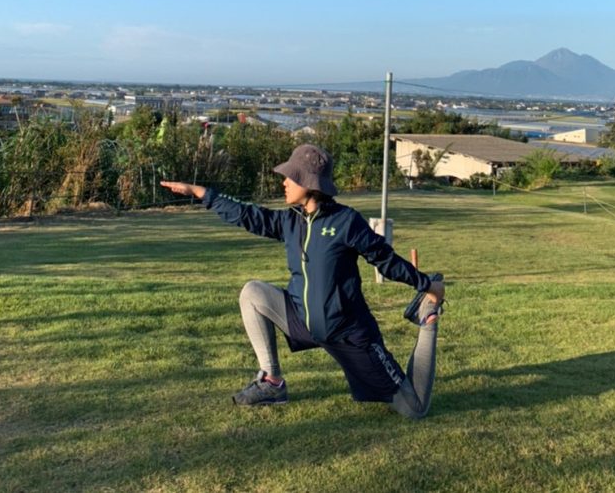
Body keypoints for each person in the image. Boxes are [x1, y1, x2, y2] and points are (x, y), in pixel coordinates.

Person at [161, 142, 445, 419]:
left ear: (310, 183)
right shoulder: (291, 221)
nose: (284, 182)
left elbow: (385, 259)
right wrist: (200, 192)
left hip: (348, 334)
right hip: (303, 321)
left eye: (291, 177)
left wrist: (427, 286)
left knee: (414, 407)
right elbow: (248, 215)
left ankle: (428, 316)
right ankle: (271, 383)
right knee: (253, 292)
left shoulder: (346, 221)